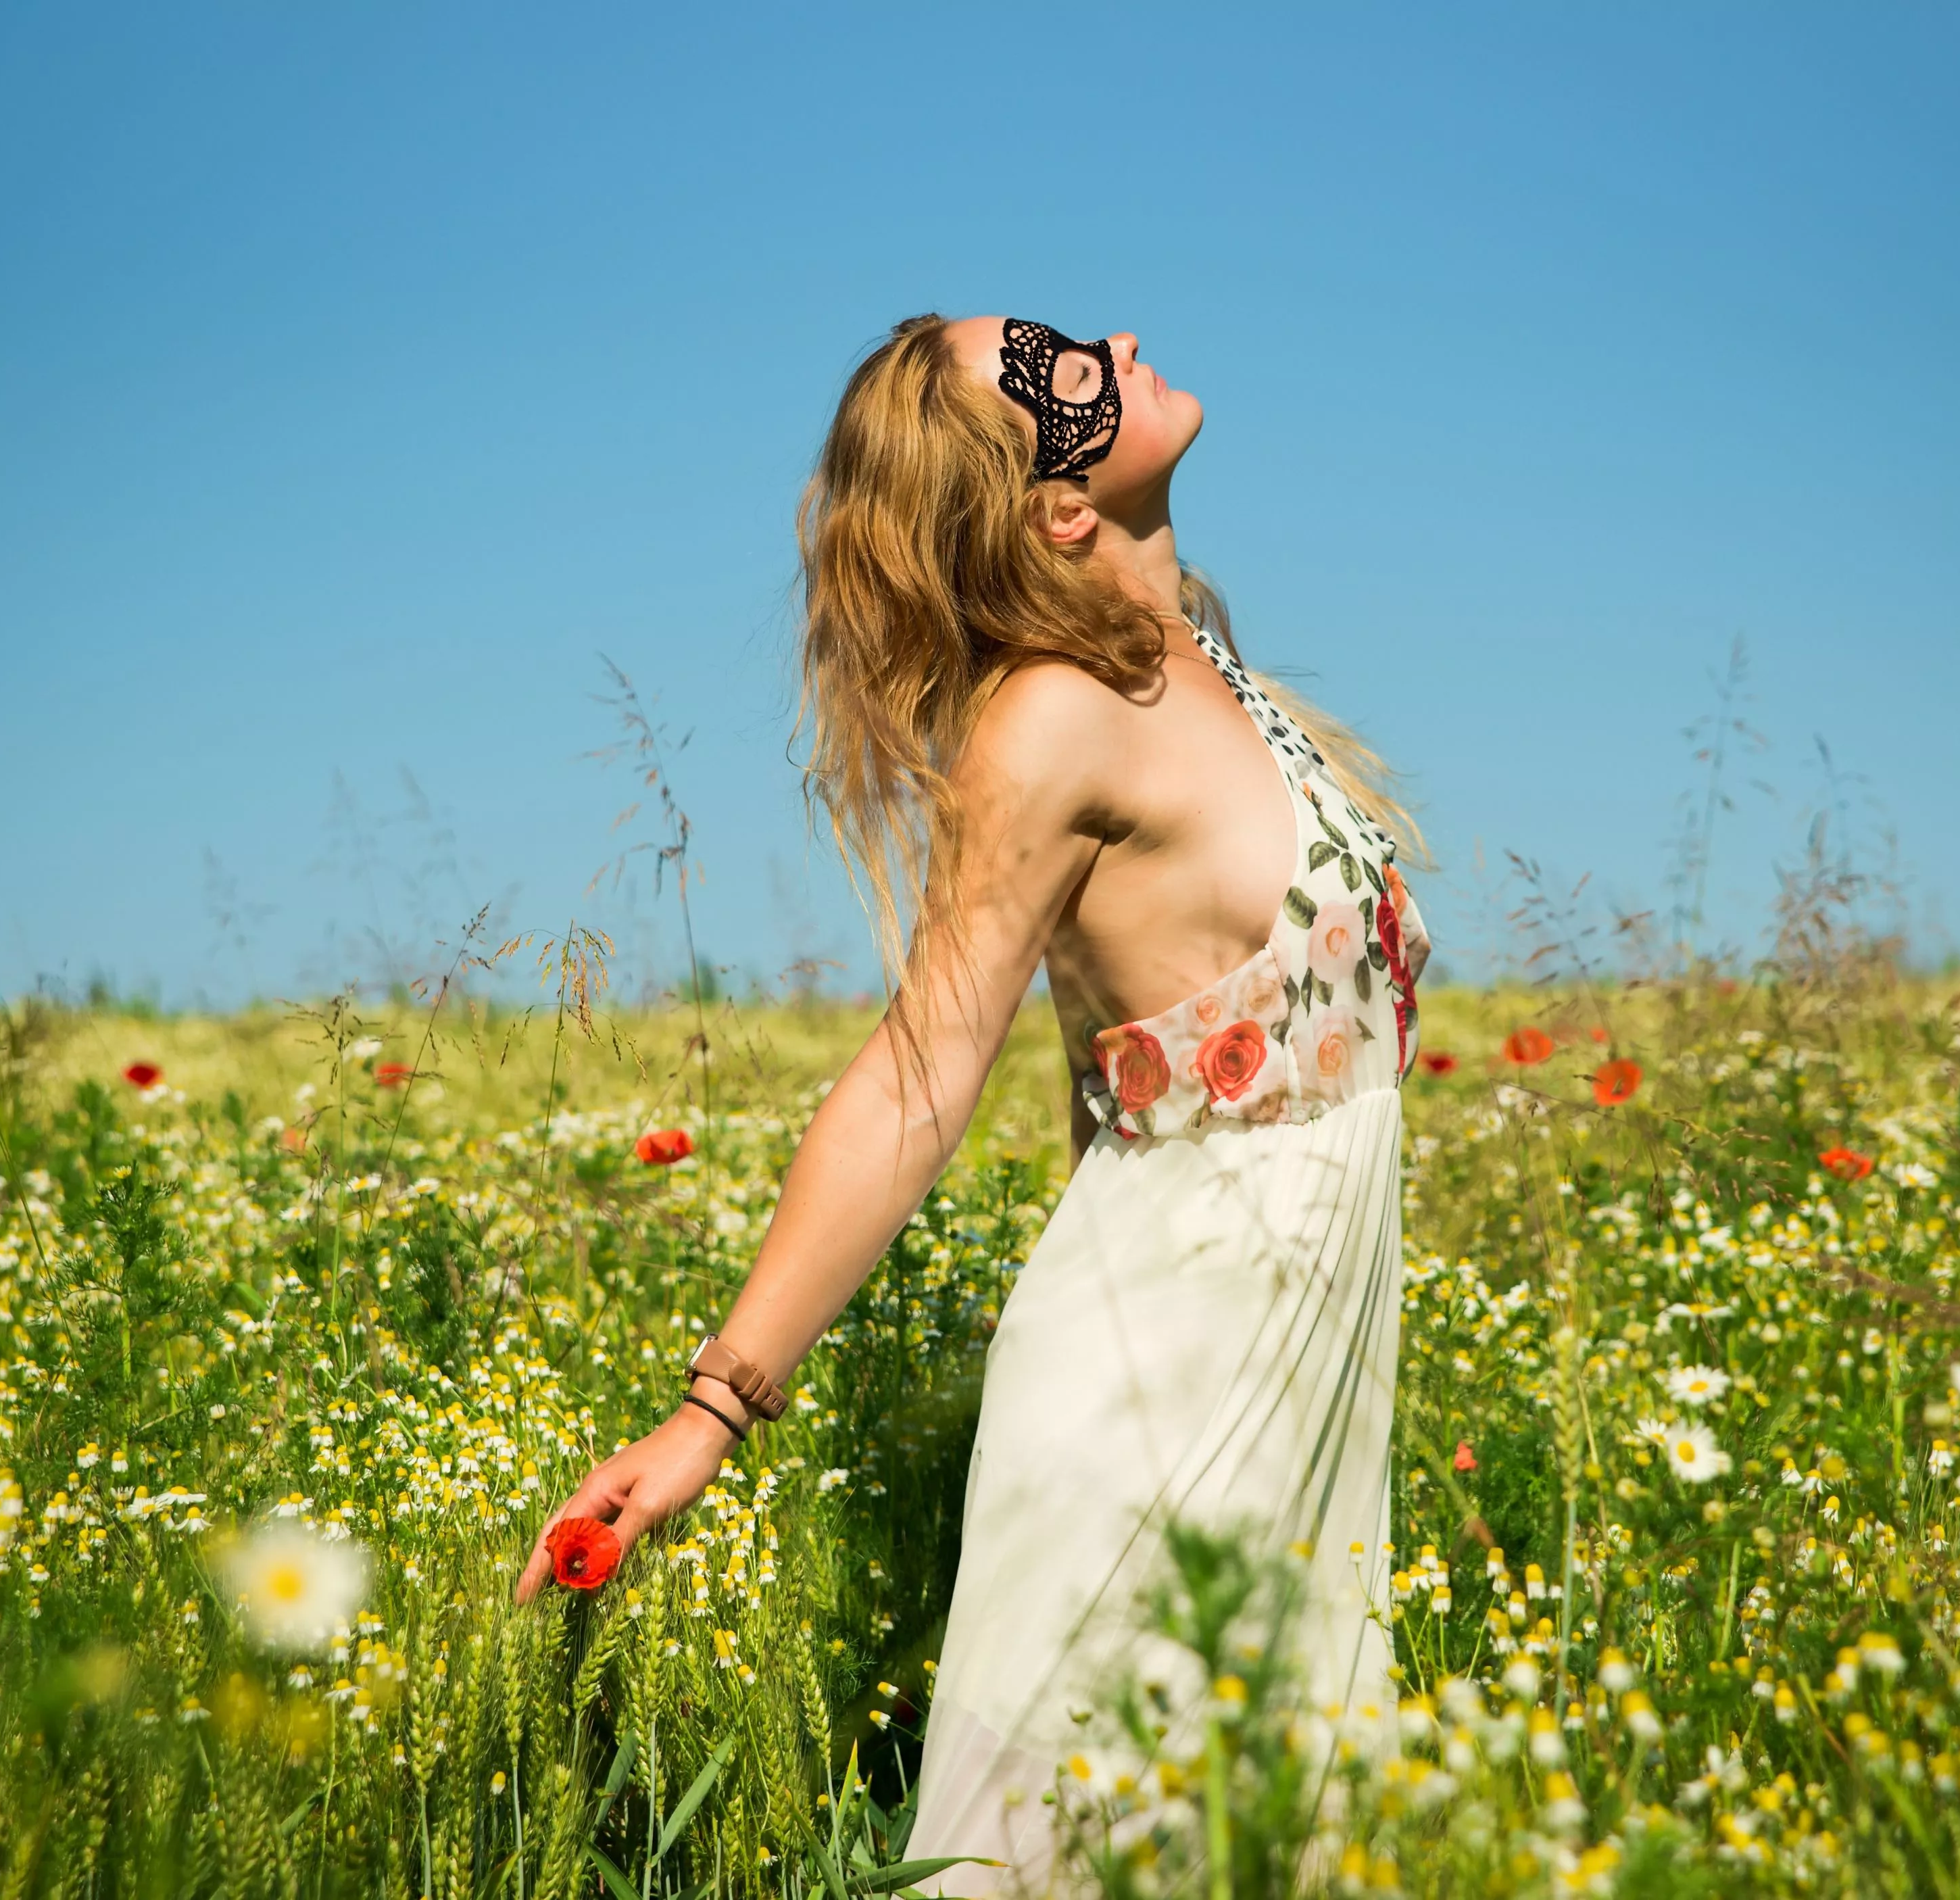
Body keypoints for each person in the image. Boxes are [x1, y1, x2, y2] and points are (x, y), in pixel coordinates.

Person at [514, 314, 1428, 1889]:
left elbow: (1121, 1070)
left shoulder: (1202, 663)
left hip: (1276, 1381)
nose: (1117, 339)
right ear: (1056, 508)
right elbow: (920, 1068)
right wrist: (710, 1410)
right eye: (1064, 361)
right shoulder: (1053, 718)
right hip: (1153, 1404)